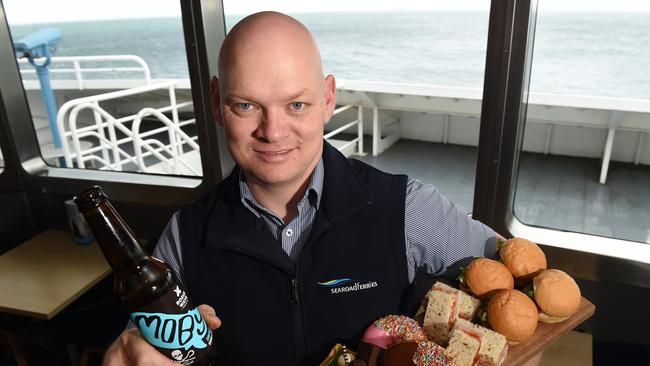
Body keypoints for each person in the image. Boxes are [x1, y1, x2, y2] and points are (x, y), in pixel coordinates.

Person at [103, 11, 503, 366]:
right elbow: (144, 349)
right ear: (215, 101)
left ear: (328, 99)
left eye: (296, 105)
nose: (272, 132)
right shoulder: (183, 238)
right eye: (246, 105)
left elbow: (521, 292)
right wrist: (125, 353)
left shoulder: (407, 209)